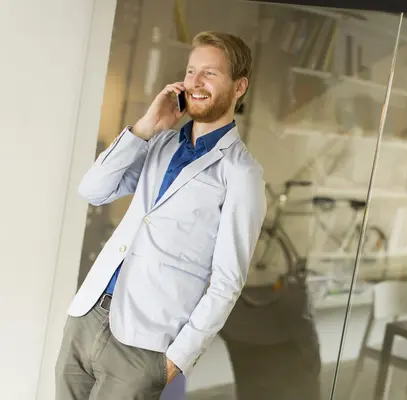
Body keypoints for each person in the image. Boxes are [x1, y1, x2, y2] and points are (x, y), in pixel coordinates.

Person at [55, 31, 266, 399]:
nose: (196, 82)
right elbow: (93, 190)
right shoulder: (161, 141)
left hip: (145, 341)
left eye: (211, 73)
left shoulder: (242, 174)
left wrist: (178, 358)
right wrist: (145, 127)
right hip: (88, 316)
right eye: (191, 71)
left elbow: (228, 280)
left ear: (239, 86)